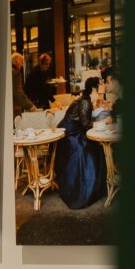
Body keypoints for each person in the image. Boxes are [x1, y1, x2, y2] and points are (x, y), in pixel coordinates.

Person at [55, 77, 107, 209]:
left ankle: (95, 185)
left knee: (93, 146)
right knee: (87, 149)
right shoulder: (85, 101)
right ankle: (85, 189)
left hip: (71, 129)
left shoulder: (86, 99)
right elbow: (86, 126)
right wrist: (105, 122)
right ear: (94, 88)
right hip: (70, 133)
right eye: (101, 85)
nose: (103, 87)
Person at [11, 52, 37, 119]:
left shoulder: (12, 72)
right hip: (14, 107)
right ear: (16, 61)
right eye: (21, 62)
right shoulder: (14, 73)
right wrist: (30, 106)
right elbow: (17, 92)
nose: (22, 65)